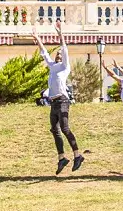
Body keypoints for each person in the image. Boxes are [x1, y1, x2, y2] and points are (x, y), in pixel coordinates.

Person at [32, 23, 84, 174]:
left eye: (61, 56)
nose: (59, 56)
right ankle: (62, 158)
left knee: (65, 128)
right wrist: (37, 38)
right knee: (55, 130)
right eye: (57, 55)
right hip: (53, 102)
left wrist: (60, 34)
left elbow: (65, 48)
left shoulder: (64, 67)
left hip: (62, 101)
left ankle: (77, 155)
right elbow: (43, 52)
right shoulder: (52, 66)